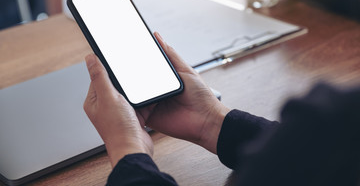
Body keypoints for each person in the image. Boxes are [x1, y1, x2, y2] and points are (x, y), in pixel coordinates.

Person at [83, 32, 360, 186]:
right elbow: (326, 160)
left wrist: (127, 150)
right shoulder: (333, 123)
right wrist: (213, 122)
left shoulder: (326, 117)